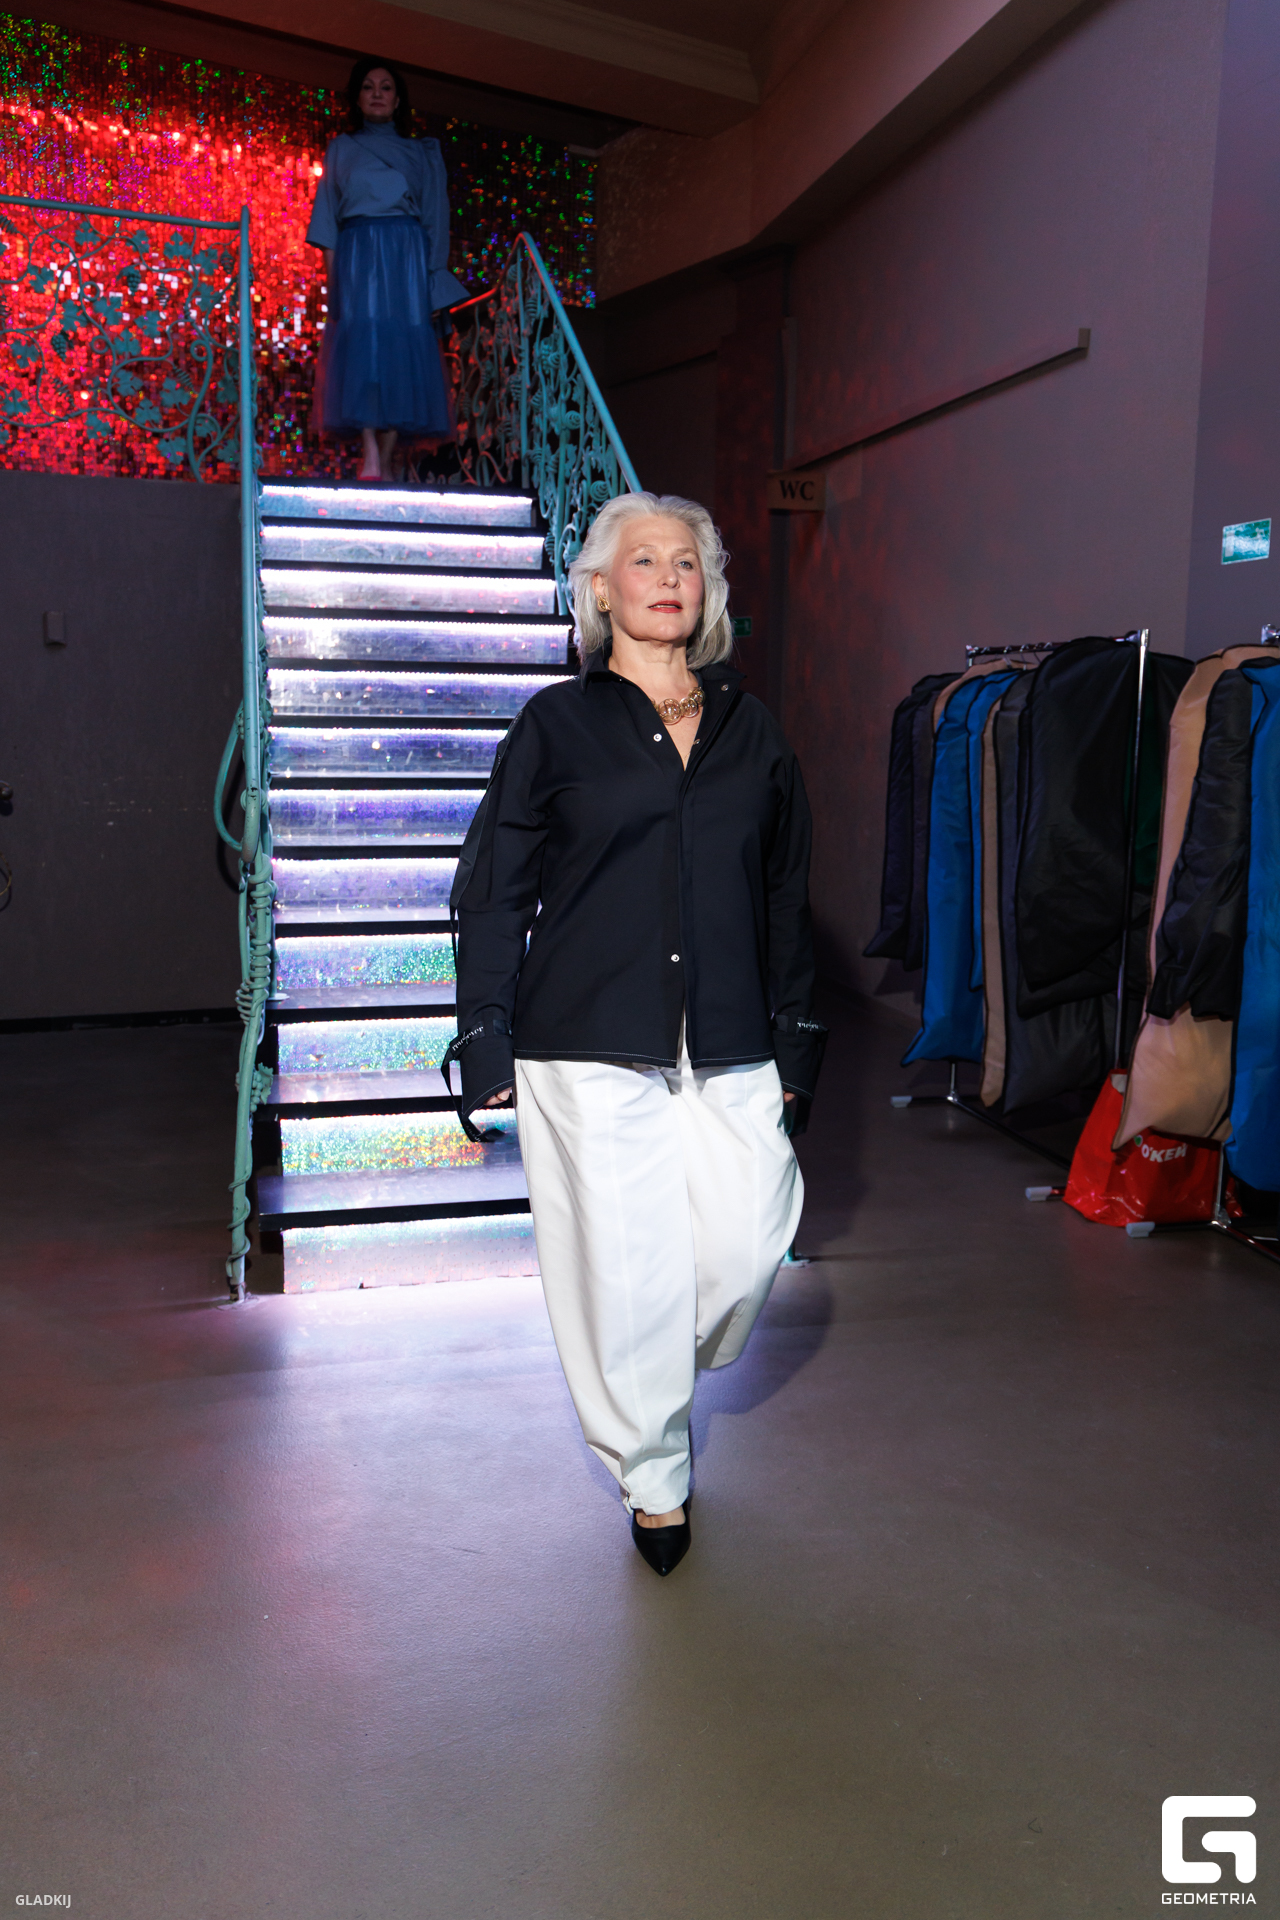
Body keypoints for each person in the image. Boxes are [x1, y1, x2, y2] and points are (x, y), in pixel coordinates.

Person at [452, 492, 827, 1576]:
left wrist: (796, 1044)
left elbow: (784, 901)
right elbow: (493, 892)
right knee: (625, 1274)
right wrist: (484, 1034)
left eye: (686, 563)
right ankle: (656, 1479)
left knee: (747, 1244)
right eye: (645, 560)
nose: (668, 577)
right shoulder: (553, 727)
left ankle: (655, 1372)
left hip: (731, 1036)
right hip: (584, 1035)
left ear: (707, 592)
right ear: (601, 590)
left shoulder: (753, 732)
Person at [306, 58, 467, 480]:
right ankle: (370, 455)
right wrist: (335, 285)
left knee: (406, 349)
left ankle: (388, 453)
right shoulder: (342, 148)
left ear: (397, 101)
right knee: (362, 347)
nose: (377, 93)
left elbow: (435, 219)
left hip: (406, 255)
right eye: (368, 86)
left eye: (386, 87)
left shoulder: (421, 152)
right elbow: (327, 223)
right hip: (358, 254)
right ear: (357, 99)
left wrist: (433, 278)